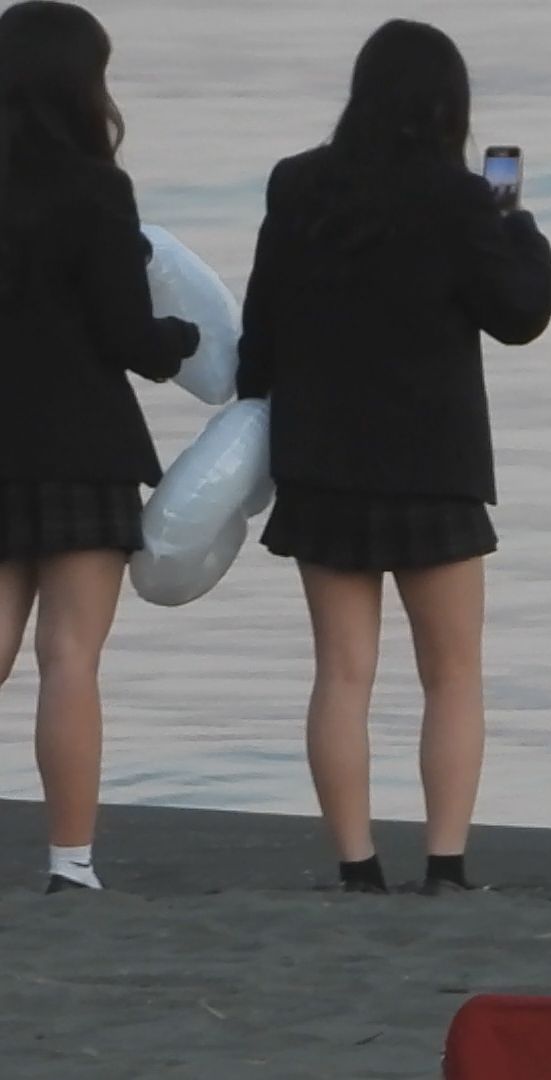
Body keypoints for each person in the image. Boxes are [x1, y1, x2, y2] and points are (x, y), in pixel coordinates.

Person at [235, 18, 551, 896]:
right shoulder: (462, 199)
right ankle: (445, 865)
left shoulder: (298, 184)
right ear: (450, 106)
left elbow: (260, 333)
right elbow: (521, 313)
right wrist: (516, 223)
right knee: (451, 675)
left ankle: (357, 866)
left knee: (342, 673)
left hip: (322, 463)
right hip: (432, 466)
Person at [0, 0, 200, 895]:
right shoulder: (96, 190)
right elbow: (129, 335)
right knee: (69, 656)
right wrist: (183, 341)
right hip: (81, 445)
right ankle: (70, 864)